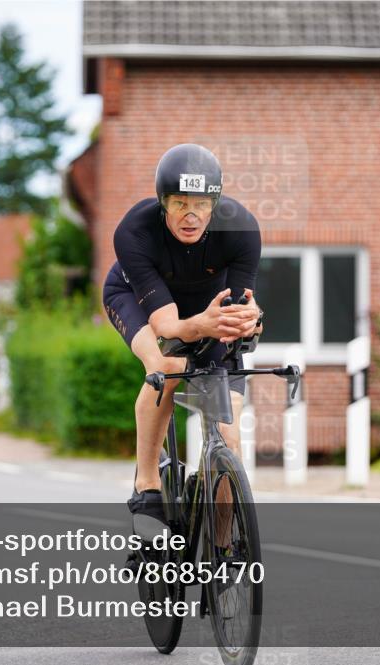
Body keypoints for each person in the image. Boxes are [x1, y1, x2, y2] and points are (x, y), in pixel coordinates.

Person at [102, 143, 263, 531]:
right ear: (162, 203)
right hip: (139, 301)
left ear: (216, 203)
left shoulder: (241, 228)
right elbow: (168, 329)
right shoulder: (134, 231)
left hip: (207, 308)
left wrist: (249, 321)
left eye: (201, 204)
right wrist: (207, 324)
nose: (190, 216)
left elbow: (237, 314)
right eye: (178, 204)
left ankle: (223, 551)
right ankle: (148, 486)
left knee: (230, 437)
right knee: (167, 366)